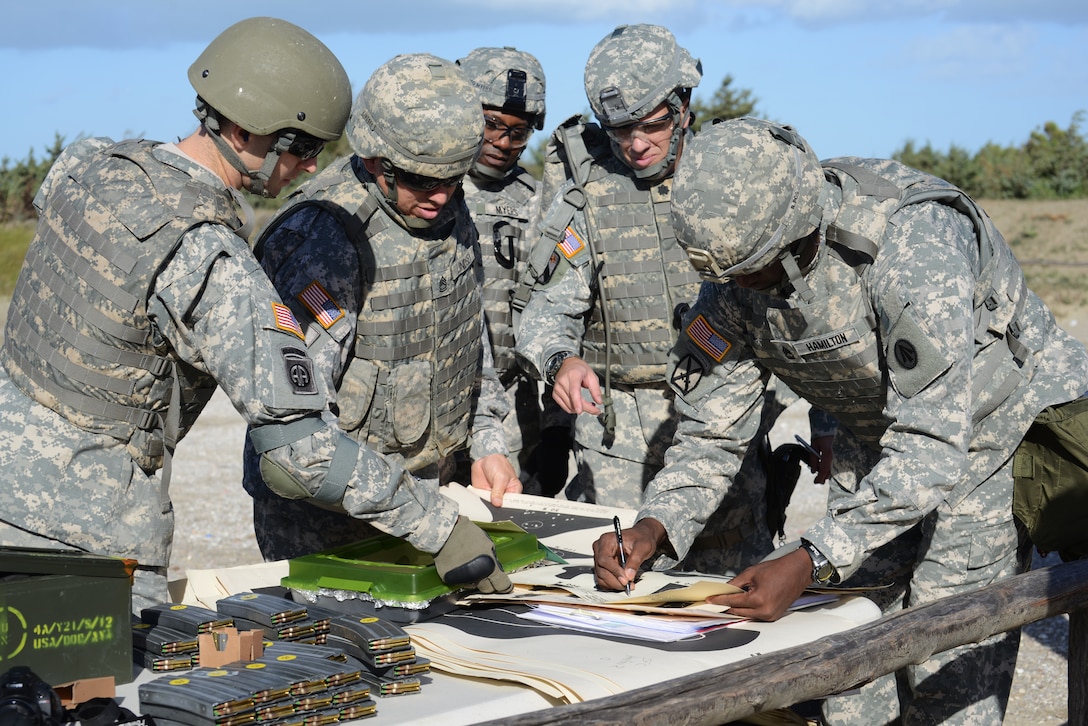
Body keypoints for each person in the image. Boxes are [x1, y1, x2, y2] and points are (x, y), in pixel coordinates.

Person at [0, 18, 510, 615]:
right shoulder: (211, 262)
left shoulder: (89, 165)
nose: (314, 169)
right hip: (83, 535)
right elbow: (301, 452)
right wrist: (441, 529)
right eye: (303, 149)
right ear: (244, 129)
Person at [593, 116, 1088, 724]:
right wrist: (656, 525)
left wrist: (809, 557)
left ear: (798, 228)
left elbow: (933, 445)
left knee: (948, 641)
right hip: (873, 432)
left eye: (755, 269)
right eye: (727, 275)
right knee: (845, 649)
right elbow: (710, 433)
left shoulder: (910, 248)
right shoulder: (735, 277)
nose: (741, 289)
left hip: (983, 434)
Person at [515, 24, 831, 574]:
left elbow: (809, 304)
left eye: (651, 125)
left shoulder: (739, 175)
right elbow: (547, 306)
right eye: (619, 130)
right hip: (621, 441)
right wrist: (560, 360)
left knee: (729, 596)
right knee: (618, 590)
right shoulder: (587, 190)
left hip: (729, 425)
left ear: (683, 104)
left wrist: (825, 423)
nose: (635, 145)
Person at [241, 53, 522, 564]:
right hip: (329, 527)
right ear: (375, 162)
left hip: (425, 500)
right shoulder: (324, 241)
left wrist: (487, 442)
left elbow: (465, 336)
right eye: (423, 182)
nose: (442, 197)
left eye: (454, 179)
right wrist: (423, 518)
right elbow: (298, 438)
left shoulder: (447, 208)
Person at [453, 46, 573, 497]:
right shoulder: (421, 189)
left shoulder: (543, 205)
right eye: (491, 124)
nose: (502, 142)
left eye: (518, 132)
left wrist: (557, 431)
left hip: (512, 419)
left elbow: (562, 312)